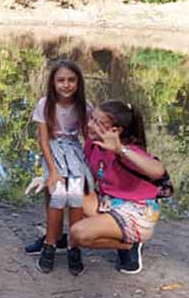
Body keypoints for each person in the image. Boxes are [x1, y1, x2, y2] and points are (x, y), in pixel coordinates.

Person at [69, 101, 167, 276]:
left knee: (78, 233)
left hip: (137, 210)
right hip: (110, 203)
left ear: (116, 131)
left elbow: (158, 171)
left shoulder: (129, 151)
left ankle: (130, 243)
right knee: (64, 190)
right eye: (91, 119)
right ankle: (118, 233)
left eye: (98, 123)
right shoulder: (93, 144)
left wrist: (120, 149)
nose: (90, 125)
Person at [28, 59, 94, 274]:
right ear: (53, 83)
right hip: (54, 154)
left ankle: (74, 246)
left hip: (74, 155)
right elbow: (44, 141)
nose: (66, 85)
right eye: (61, 80)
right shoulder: (45, 105)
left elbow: (88, 138)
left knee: (75, 198)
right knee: (57, 196)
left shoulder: (85, 106)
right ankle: (50, 245)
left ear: (78, 82)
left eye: (71, 80)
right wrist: (53, 170)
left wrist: (91, 169)